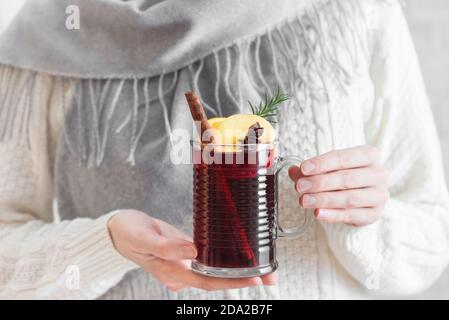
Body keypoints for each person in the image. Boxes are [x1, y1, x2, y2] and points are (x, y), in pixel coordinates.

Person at [0, 0, 448, 299]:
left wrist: (362, 221)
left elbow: (431, 240)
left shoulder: (351, 10)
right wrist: (105, 243)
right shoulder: (49, 34)